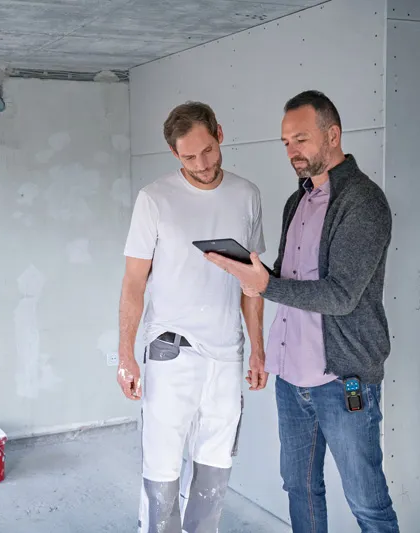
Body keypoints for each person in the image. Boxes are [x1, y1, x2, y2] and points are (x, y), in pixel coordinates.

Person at [204, 90, 400, 533]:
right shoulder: (299, 199)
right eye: (286, 143)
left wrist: (266, 285)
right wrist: (251, 269)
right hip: (291, 377)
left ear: (332, 135)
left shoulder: (363, 202)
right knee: (300, 488)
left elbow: (342, 294)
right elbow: (295, 279)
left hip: (342, 379)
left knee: (367, 502)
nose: (292, 152)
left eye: (301, 140)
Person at [116, 101, 268, 533]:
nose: (202, 164)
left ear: (219, 133)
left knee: (215, 470)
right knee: (162, 467)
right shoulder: (155, 200)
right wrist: (126, 355)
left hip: (226, 353)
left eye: (208, 150)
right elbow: (133, 283)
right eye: (189, 157)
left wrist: (257, 349)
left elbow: (252, 283)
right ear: (174, 155)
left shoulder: (247, 194)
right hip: (171, 348)